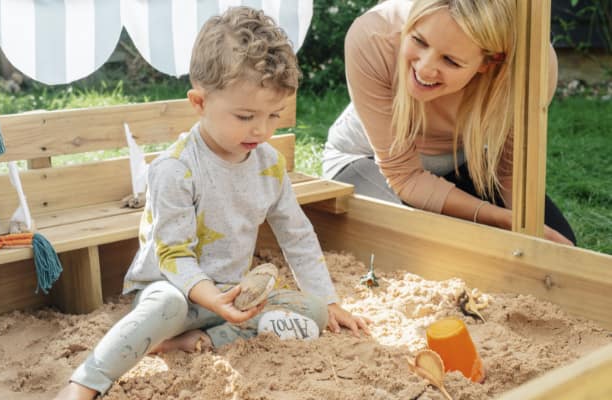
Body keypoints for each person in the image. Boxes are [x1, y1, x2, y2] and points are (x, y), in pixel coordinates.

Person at [55, 6, 370, 400]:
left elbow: (297, 234)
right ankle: (85, 381)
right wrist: (211, 297)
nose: (262, 129)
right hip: (170, 290)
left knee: (313, 313)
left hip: (231, 296)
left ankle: (183, 342)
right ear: (199, 102)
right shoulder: (176, 169)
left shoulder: (268, 163)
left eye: (274, 114)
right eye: (245, 115)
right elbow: (172, 254)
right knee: (164, 307)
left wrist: (328, 299)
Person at [322, 0, 576, 245]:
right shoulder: (374, 34)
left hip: (457, 163)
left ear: (490, 62)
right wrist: (498, 219)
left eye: (450, 61)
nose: (424, 69)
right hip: (367, 162)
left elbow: (508, 172)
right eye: (418, 40)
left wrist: (525, 229)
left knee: (559, 241)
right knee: (431, 248)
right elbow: (404, 176)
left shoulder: (531, 67)